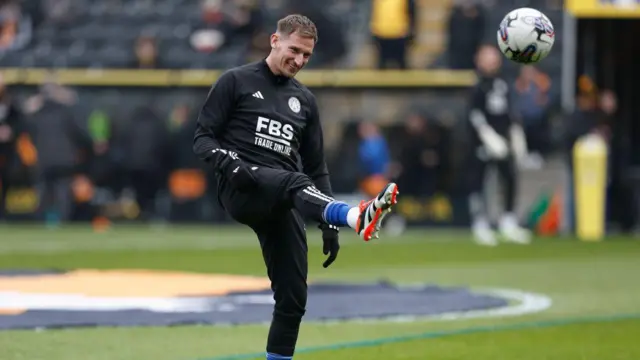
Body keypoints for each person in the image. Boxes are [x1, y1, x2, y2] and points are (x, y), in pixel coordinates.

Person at [192, 14, 399, 360]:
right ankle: (355, 216)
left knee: (293, 298)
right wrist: (229, 163)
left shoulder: (305, 101)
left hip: (284, 197)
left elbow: (317, 167)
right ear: (274, 40)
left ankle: (344, 218)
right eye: (294, 50)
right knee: (293, 180)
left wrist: (327, 226)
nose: (299, 61)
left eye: (306, 56)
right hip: (242, 187)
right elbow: (202, 138)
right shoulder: (236, 81)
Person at [465, 45, 530, 246]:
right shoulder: (477, 86)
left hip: (504, 141)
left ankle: (508, 221)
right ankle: (480, 223)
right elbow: (474, 115)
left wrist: (516, 134)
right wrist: (487, 136)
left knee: (509, 178)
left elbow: (510, 111)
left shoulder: (503, 83)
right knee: (480, 182)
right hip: (483, 143)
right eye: (487, 58)